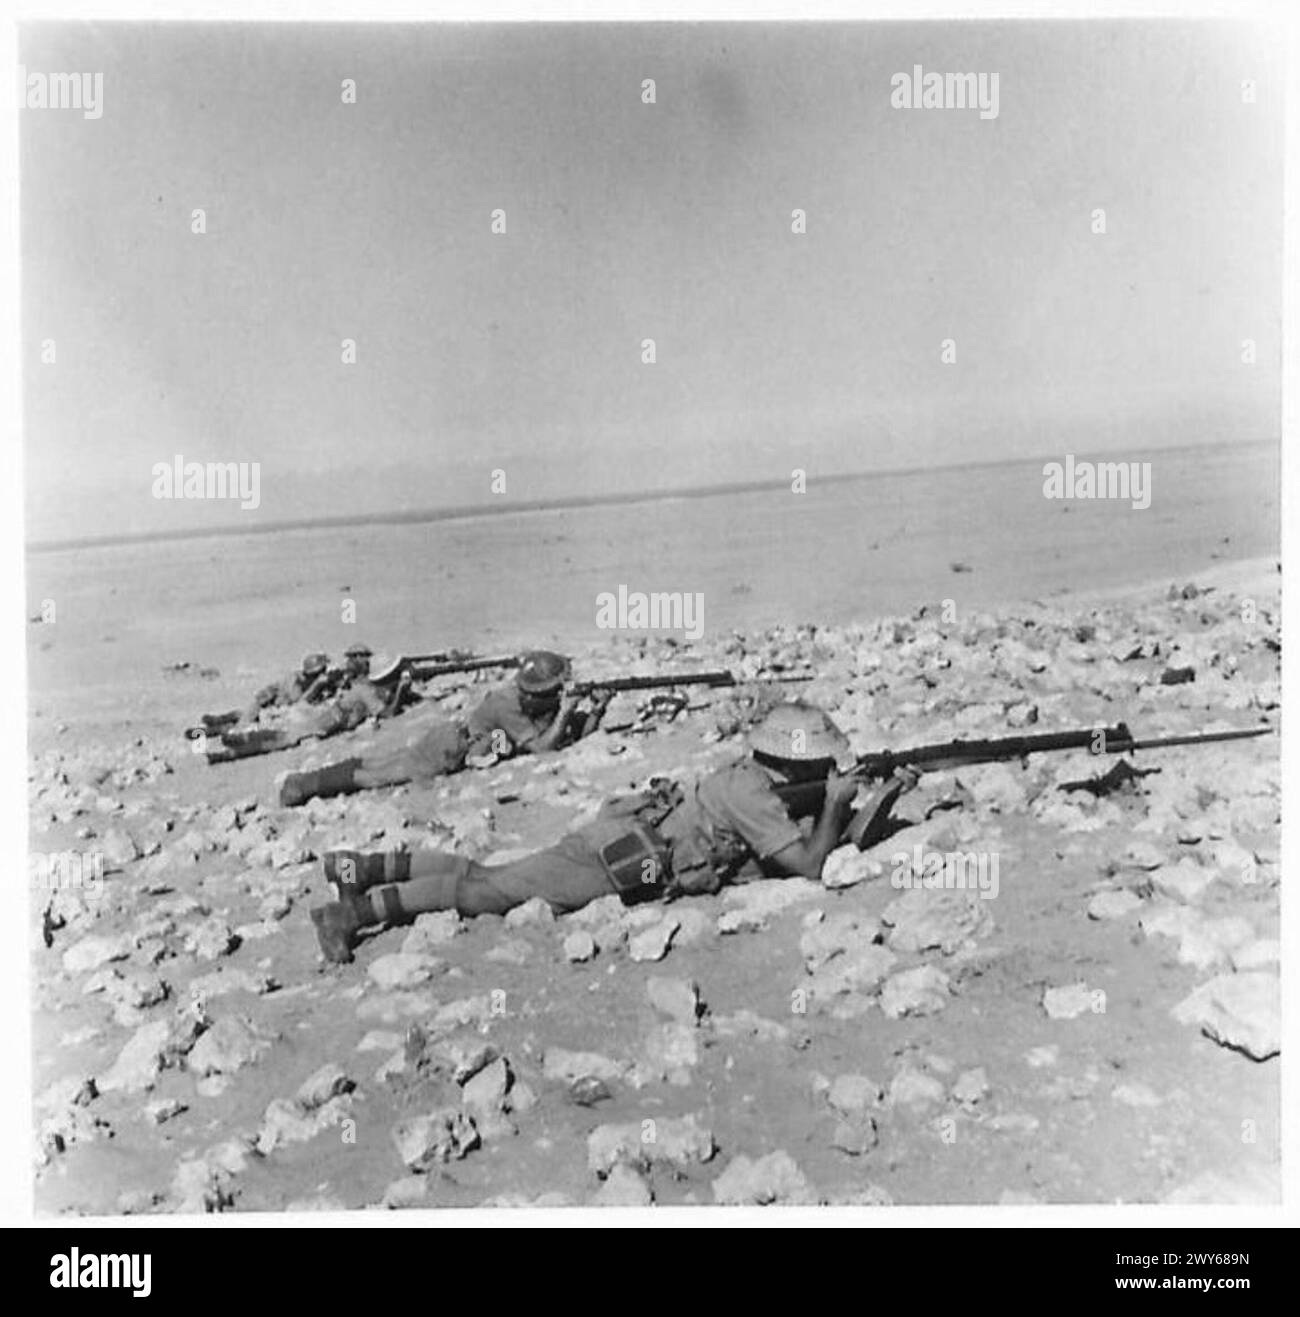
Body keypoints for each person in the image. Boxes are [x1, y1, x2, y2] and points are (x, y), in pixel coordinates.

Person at [309, 701, 918, 964]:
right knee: (484, 891)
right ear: (798, 760)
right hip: (615, 860)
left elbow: (823, 844)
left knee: (489, 872)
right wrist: (837, 804)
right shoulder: (753, 795)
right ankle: (351, 912)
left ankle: (359, 868)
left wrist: (885, 794)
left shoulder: (750, 777)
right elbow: (812, 866)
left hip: (623, 837)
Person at [276, 650, 609, 806]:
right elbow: (544, 748)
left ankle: (305, 781)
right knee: (376, 773)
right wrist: (567, 710)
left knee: (379, 763)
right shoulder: (507, 703)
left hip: (452, 739)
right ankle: (304, 785)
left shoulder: (531, 700)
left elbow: (571, 734)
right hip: (448, 748)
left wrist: (597, 709)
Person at [206, 646, 415, 763]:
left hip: (319, 717)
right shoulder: (364, 690)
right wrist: (401, 691)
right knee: (278, 740)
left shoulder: (362, 686)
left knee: (277, 736)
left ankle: (230, 742)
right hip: (317, 720)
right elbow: (388, 714)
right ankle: (226, 748)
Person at [195, 651, 333, 736]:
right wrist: (316, 686)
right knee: (240, 724)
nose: (323, 674)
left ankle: (210, 727)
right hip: (273, 712)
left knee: (238, 721)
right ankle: (211, 725)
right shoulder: (295, 682)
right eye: (319, 672)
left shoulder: (320, 682)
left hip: (278, 714)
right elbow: (298, 703)